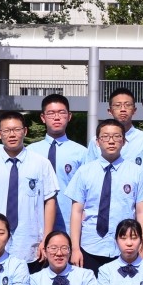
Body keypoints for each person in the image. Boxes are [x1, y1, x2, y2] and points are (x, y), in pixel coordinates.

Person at [0, 110, 59, 266]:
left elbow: (49, 202)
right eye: (6, 131)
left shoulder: (41, 164)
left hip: (30, 243)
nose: (12, 135)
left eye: (17, 130)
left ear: (25, 131)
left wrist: (46, 239)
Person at [64, 118, 143, 274]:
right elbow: (76, 211)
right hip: (90, 246)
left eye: (117, 136)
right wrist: (75, 248)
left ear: (124, 141)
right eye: (105, 137)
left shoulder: (137, 173)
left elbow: (142, 212)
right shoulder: (84, 172)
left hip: (125, 247)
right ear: (97, 142)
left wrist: (142, 247)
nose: (111, 141)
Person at [26, 94, 88, 232]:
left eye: (61, 112)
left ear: (69, 116)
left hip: (69, 221)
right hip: (35, 221)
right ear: (43, 117)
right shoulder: (30, 152)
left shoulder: (81, 153)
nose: (56, 117)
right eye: (51, 113)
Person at [27, 230, 99, 285]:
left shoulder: (85, 276)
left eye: (64, 248)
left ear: (70, 251)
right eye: (53, 248)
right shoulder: (35, 279)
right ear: (45, 251)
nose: (59, 253)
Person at [92, 87, 143, 171]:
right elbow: (90, 170)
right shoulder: (96, 141)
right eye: (117, 105)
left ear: (134, 110)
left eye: (128, 105)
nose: (123, 109)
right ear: (110, 111)